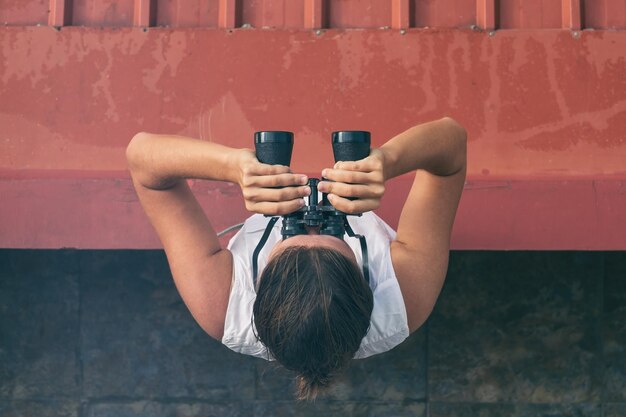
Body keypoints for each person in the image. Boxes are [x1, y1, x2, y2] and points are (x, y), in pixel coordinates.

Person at [126, 117, 467, 400]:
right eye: (334, 235)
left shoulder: (222, 303)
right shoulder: (404, 295)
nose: (311, 220)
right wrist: (388, 162)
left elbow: (142, 157)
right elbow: (451, 144)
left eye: (290, 235)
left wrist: (232, 166)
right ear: (367, 281)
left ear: (258, 282)